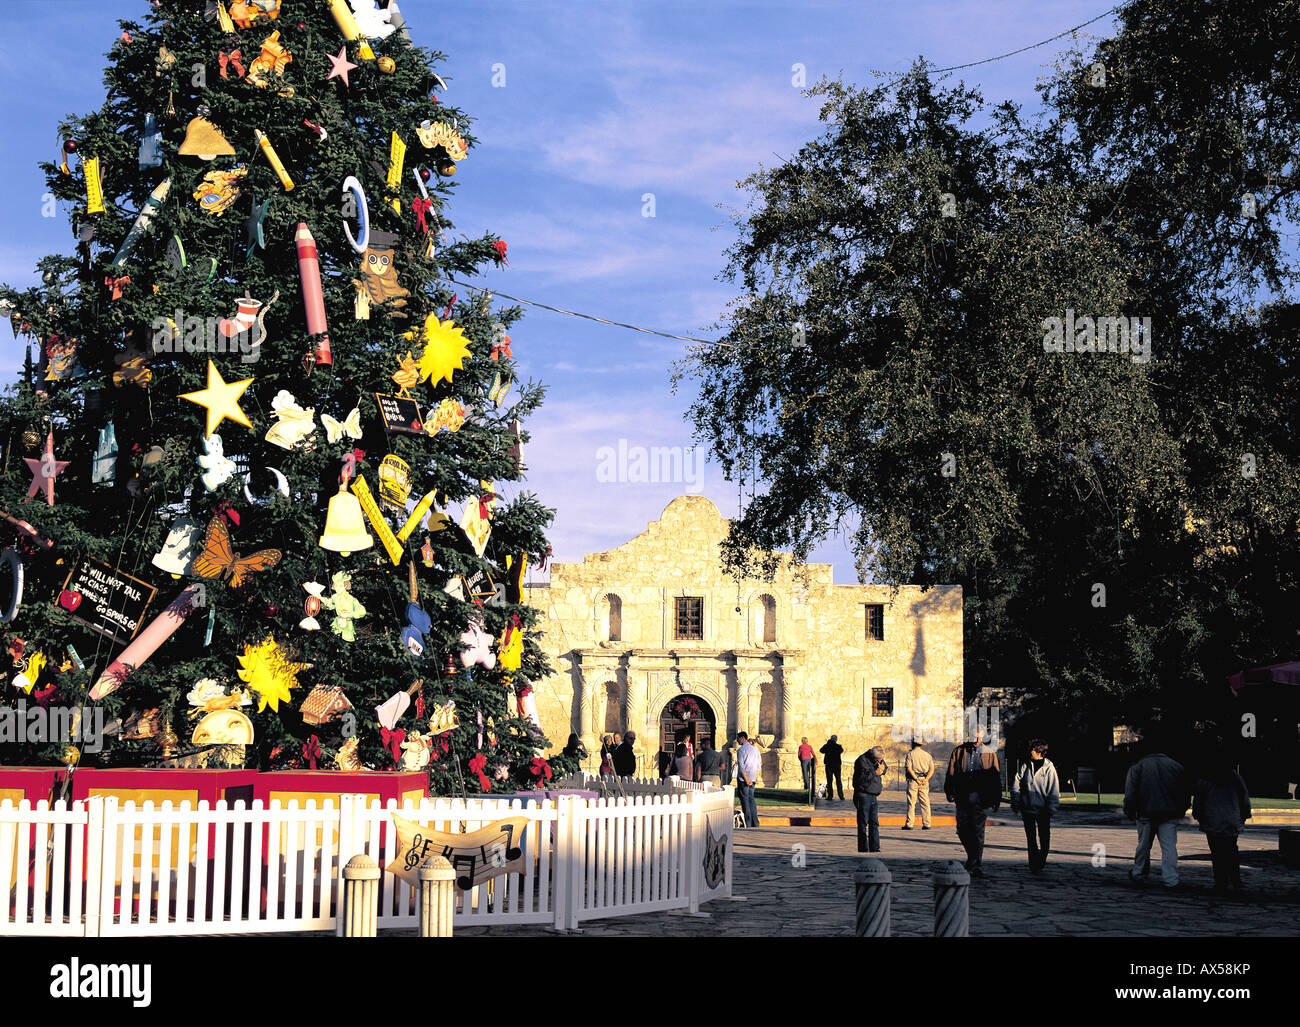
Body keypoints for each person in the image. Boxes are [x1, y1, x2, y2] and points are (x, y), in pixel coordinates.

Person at [1123, 738, 1191, 889]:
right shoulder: (1176, 766)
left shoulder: (1138, 766)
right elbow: (1185, 791)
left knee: (1143, 846)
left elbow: (1130, 792)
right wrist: (1182, 809)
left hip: (1145, 813)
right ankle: (1171, 879)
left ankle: (1139, 873)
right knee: (1169, 848)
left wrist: (1129, 809)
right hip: (1169, 813)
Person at [944, 726, 1001, 877]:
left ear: (982, 736)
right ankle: (972, 857)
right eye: (973, 737)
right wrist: (949, 791)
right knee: (962, 829)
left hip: (981, 799)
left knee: (977, 830)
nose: (976, 740)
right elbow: (951, 772)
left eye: (978, 737)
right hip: (962, 797)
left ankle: (975, 862)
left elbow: (995, 777)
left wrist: (996, 799)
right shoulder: (958, 751)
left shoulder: (990, 753)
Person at [1193, 756, 1251, 894]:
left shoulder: (1205, 779)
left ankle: (1220, 881)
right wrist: (1244, 815)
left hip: (1212, 820)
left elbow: (1198, 800)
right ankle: (1235, 880)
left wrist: (1198, 816)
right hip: (1231, 819)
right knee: (1231, 851)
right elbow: (1244, 797)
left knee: (1216, 853)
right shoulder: (1235, 777)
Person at [1010, 739, 1060, 872]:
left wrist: (1052, 807)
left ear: (1039, 751)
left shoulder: (1049, 768)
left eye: (1032, 749)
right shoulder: (1026, 765)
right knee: (1031, 838)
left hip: (1043, 809)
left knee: (1044, 838)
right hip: (1027, 808)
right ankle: (1034, 865)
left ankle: (1041, 860)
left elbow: (1054, 789)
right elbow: (1016, 782)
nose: (1030, 751)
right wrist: (1015, 800)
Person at [852, 746, 888, 852]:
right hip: (863, 795)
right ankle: (863, 848)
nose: (880, 761)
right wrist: (876, 772)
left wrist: (882, 769)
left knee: (874, 823)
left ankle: (875, 847)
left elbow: (884, 767)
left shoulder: (878, 758)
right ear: (873, 756)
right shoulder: (861, 761)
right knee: (863, 823)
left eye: (881, 759)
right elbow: (863, 779)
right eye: (878, 759)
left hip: (873, 795)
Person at [903, 740, 934, 830]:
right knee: (925, 802)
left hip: (914, 780)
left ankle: (909, 824)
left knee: (911, 802)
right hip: (924, 780)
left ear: (913, 744)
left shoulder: (910, 754)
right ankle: (927, 823)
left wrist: (916, 778)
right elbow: (932, 769)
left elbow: (909, 768)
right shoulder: (927, 755)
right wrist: (926, 779)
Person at [735, 732, 761, 828]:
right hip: (753, 777)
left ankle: (748, 822)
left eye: (738, 738)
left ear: (742, 738)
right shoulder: (755, 749)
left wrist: (746, 779)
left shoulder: (741, 750)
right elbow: (758, 765)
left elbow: (742, 766)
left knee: (745, 800)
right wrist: (756, 777)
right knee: (752, 800)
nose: (737, 740)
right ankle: (755, 822)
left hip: (744, 778)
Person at [820, 735, 845, 800]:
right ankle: (841, 796)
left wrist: (827, 743)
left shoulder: (827, 745)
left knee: (829, 780)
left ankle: (830, 796)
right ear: (836, 740)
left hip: (829, 765)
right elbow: (841, 751)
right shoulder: (838, 746)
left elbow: (821, 750)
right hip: (837, 765)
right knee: (838, 780)